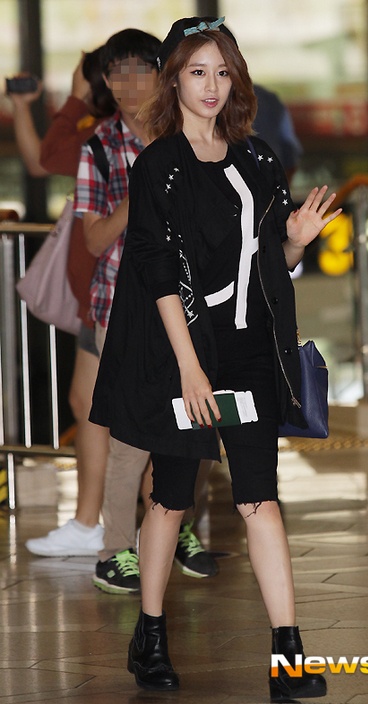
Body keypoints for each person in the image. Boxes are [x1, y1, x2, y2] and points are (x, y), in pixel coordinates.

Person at [89, 16, 342, 700]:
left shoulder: (257, 159)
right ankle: (150, 636)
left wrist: (296, 240)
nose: (211, 85)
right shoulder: (159, 166)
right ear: (175, 80)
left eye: (222, 72)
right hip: (184, 354)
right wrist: (190, 369)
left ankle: (288, 655)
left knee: (260, 498)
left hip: (250, 352)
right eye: (198, 71)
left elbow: (269, 263)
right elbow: (157, 274)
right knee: (171, 499)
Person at [74, 28, 217, 594]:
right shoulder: (99, 148)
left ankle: (177, 527)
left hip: (190, 306)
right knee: (131, 436)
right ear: (107, 82)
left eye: (141, 69)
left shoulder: (188, 133)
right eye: (118, 72)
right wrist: (144, 190)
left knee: (195, 422)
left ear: (162, 75)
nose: (130, 83)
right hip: (123, 310)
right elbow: (92, 239)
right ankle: (116, 549)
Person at [8, 49, 115, 556]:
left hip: (113, 293)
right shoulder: (102, 130)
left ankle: (117, 523)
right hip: (99, 295)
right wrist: (25, 106)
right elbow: (42, 159)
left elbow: (47, 157)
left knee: (104, 408)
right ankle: (95, 522)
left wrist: (73, 98)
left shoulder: (109, 135)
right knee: (87, 403)